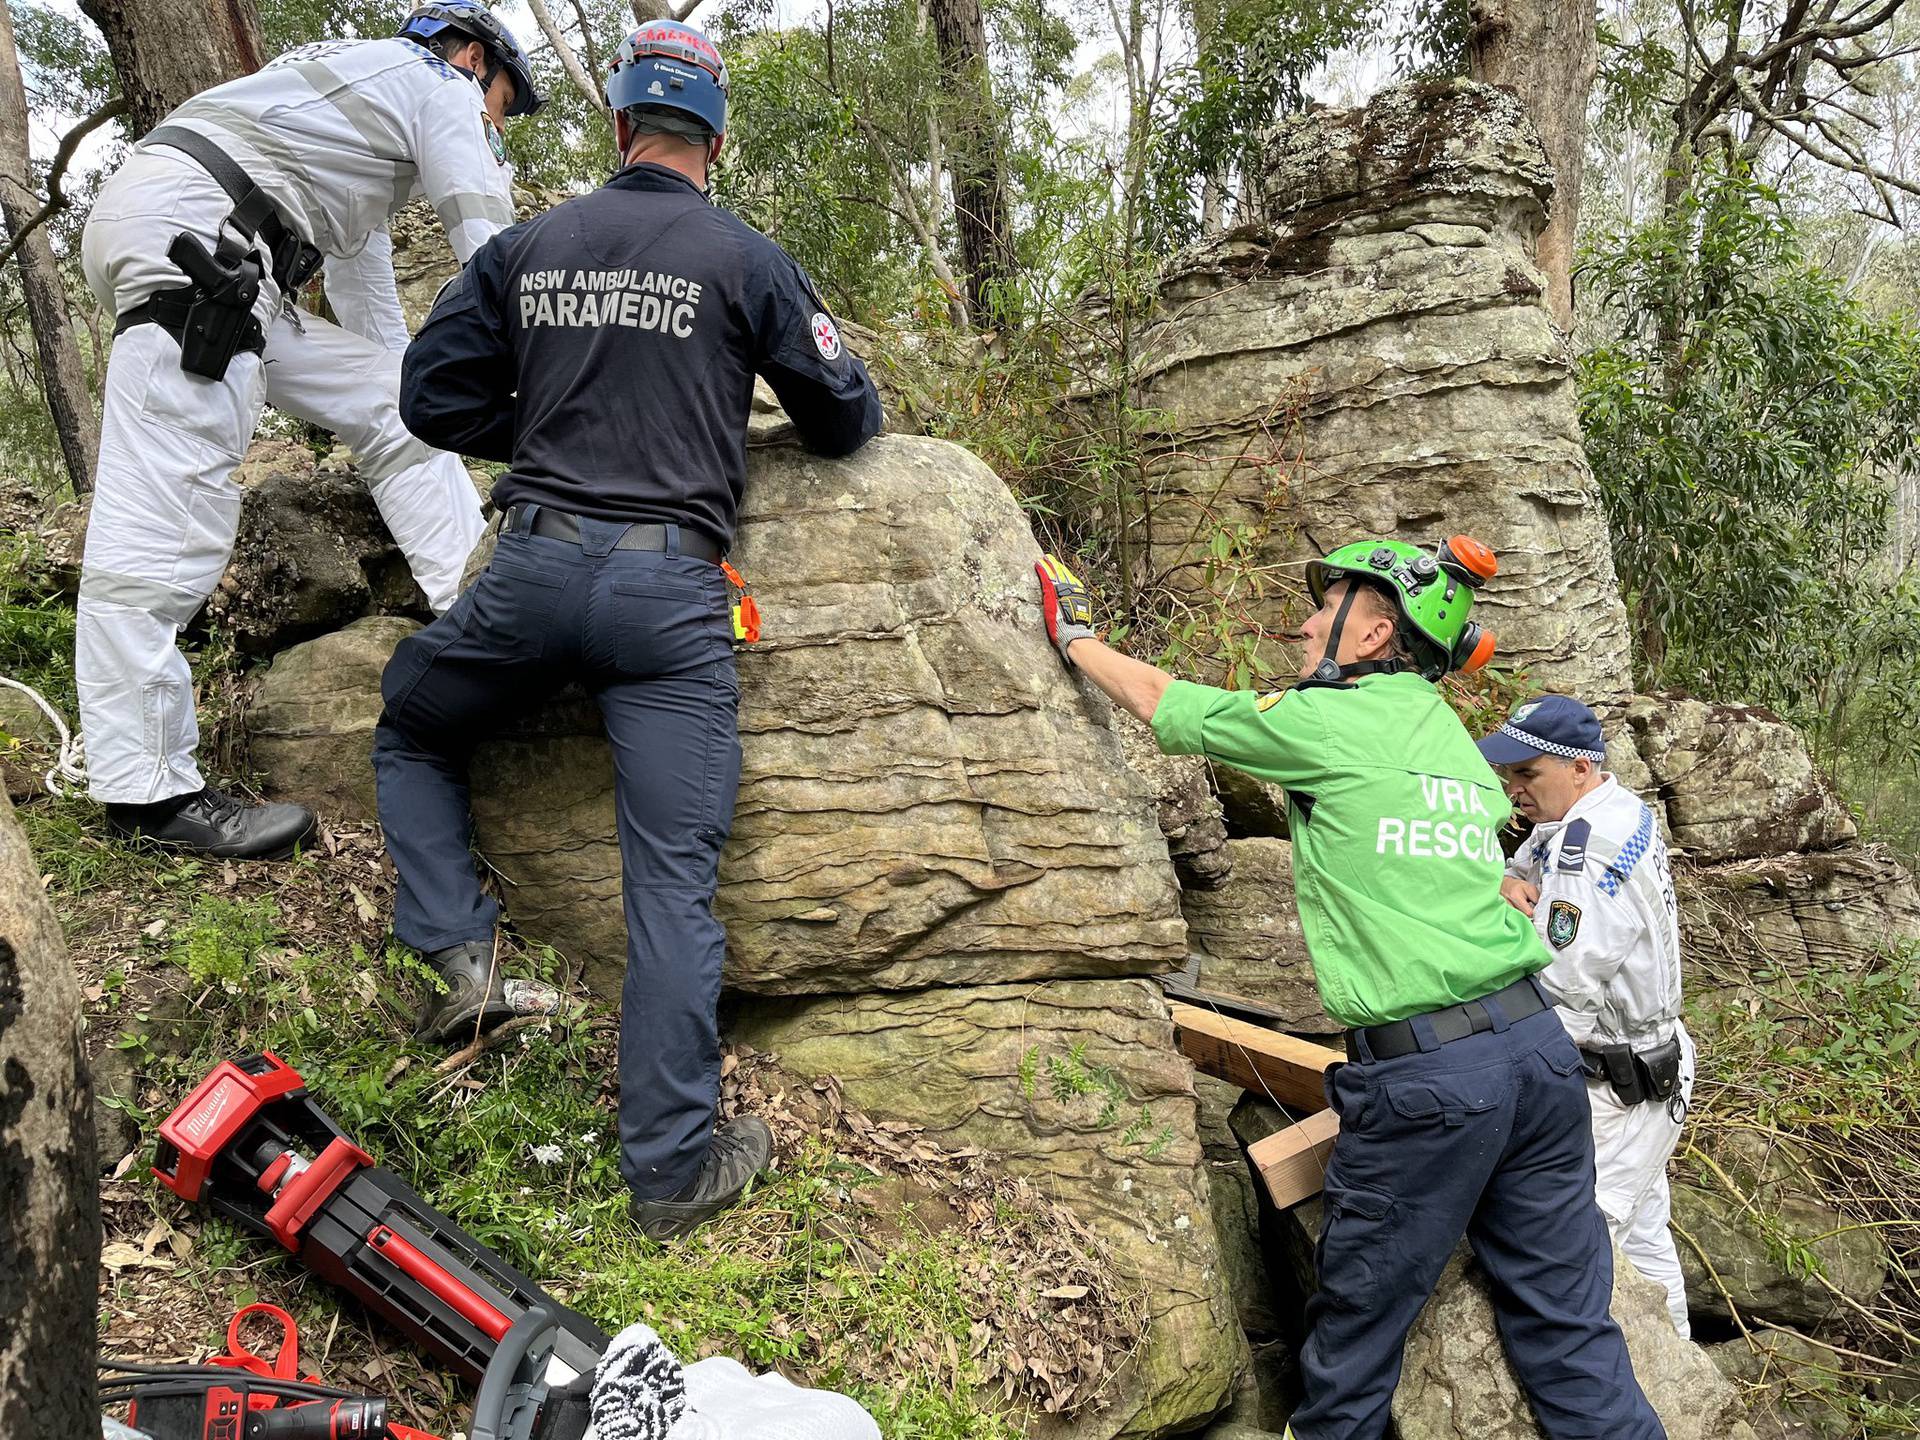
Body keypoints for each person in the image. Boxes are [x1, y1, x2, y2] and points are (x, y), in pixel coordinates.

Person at [378, 19, 883, 1241]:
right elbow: (845, 418)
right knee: (670, 884)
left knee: (410, 730)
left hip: (535, 569)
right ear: (715, 135)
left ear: (617, 128)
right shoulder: (744, 256)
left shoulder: (529, 244)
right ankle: (668, 1172)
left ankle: (463, 959)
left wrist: (548, 431)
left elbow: (428, 395)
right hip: (669, 601)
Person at [1033, 543, 1666, 1440]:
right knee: (1570, 1330)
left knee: (1354, 1346)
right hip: (1538, 1059)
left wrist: (1076, 637)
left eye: (1327, 604)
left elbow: (1168, 705)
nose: (1304, 620)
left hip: (1432, 1083)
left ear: (1373, 633)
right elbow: (1478, 843)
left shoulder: (1324, 721)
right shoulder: (1446, 733)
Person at [77, 0, 544, 859]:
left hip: (211, 233)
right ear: (476, 57)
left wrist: (436, 399)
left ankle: (468, 597)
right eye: (506, 104)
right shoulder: (437, 82)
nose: (497, 126)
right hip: (202, 242)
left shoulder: (360, 117)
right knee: (169, 511)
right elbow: (492, 249)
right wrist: (547, 395)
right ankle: (147, 791)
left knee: (389, 396)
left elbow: (380, 339)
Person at [1479, 694, 1694, 1336]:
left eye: (1527, 773)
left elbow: (1561, 988)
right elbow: (1527, 867)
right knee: (1648, 1239)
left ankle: (1628, 1392)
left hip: (1619, 1085)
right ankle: (1686, 1376)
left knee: (1582, 1243)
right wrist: (1501, 882)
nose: (1513, 789)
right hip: (1649, 1067)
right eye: (1508, 775)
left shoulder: (1587, 850)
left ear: (1579, 766)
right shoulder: (1613, 808)